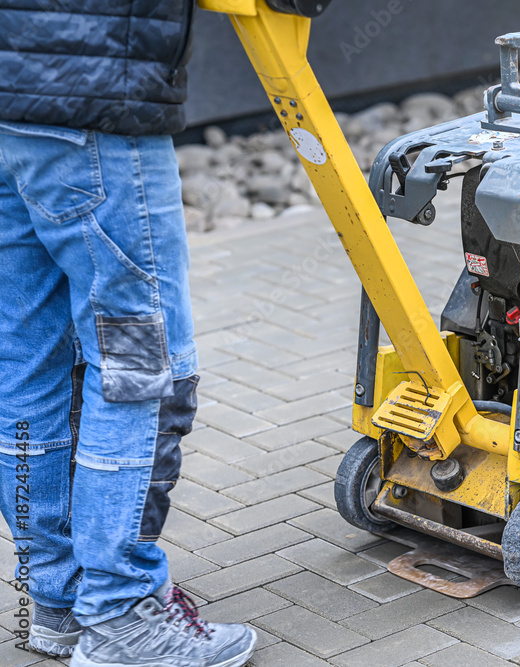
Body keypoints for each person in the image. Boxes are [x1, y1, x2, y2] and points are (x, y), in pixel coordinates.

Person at [0, 2, 256, 666]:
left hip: (8, 102)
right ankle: (120, 613)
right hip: (95, 108)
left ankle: (57, 596)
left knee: (29, 363)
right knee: (141, 368)